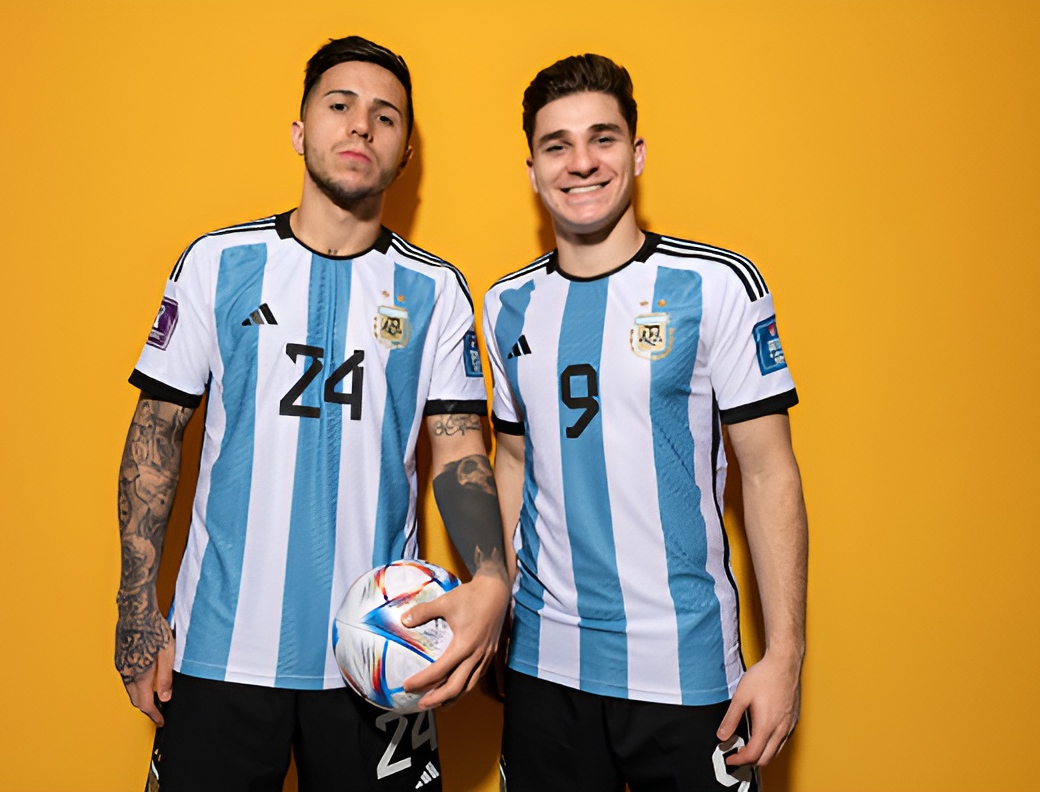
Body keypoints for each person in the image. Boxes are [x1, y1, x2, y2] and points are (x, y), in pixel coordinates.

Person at [114, 36, 510, 792]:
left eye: (384, 116)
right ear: (300, 133)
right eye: (340, 106)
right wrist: (137, 612)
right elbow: (155, 434)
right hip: (217, 652)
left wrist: (490, 579)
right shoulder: (216, 262)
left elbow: (462, 455)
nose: (361, 126)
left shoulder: (436, 291)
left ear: (406, 152)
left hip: (382, 655)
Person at [482, 54, 808, 792]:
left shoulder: (715, 286)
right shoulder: (505, 306)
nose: (581, 162)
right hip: (542, 667)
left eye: (602, 138)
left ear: (636, 154)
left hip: (685, 667)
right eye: (556, 145)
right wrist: (493, 604)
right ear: (532, 169)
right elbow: (510, 461)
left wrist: (784, 657)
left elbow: (768, 471)